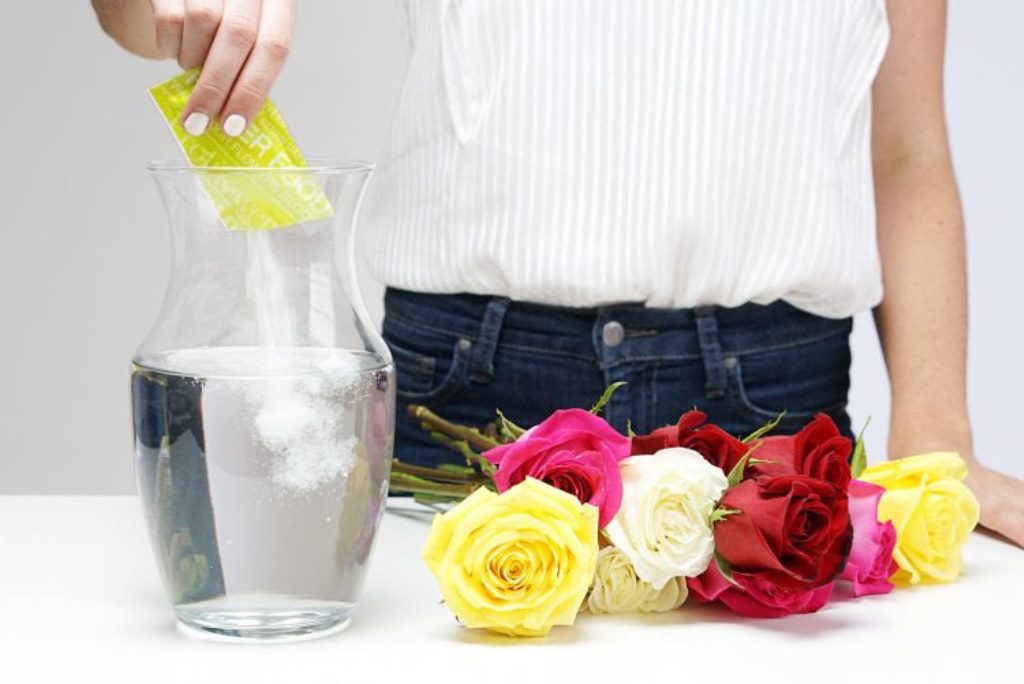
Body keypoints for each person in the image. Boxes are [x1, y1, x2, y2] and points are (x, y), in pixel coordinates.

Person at [92, 0, 1024, 546]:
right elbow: (132, 17)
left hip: (775, 414)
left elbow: (905, 153)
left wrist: (940, 439)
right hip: (461, 399)